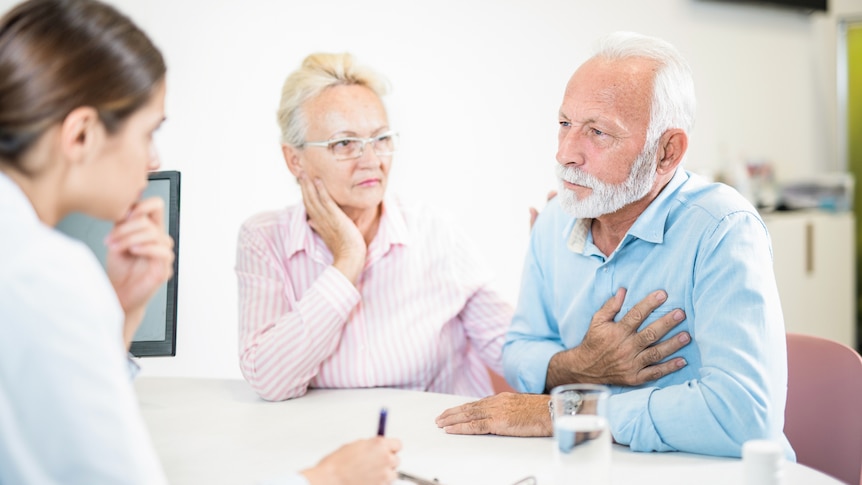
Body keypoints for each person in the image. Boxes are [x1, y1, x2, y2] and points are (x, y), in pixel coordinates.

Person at [0, 1, 400, 484]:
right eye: (148, 132)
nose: (153, 160)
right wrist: (326, 479)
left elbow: (55, 418)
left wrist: (123, 313)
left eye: (380, 139)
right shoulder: (45, 276)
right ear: (81, 134)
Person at [435, 31, 794, 460]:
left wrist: (564, 410)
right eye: (565, 124)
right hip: (588, 465)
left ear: (667, 152)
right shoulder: (555, 221)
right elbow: (520, 350)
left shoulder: (723, 229)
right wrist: (582, 364)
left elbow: (745, 416)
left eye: (598, 132)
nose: (566, 153)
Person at [235, 53, 512, 401]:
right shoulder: (264, 239)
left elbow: (517, 355)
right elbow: (270, 382)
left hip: (435, 444)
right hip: (332, 449)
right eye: (344, 143)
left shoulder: (434, 232)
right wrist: (348, 259)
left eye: (381, 139)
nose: (371, 161)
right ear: (295, 160)